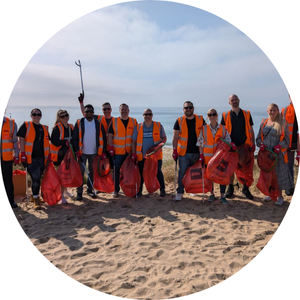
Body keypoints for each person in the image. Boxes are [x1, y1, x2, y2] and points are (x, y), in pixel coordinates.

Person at [256, 103, 294, 205]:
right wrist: (261, 144)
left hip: (278, 155)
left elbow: (287, 140)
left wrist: (279, 146)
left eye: (274, 110)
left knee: (278, 176)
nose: (272, 112)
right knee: (267, 175)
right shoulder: (264, 122)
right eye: (270, 110)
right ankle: (269, 194)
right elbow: (258, 138)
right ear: (267, 111)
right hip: (266, 155)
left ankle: (280, 197)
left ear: (278, 111)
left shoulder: (283, 122)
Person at [221, 94, 255, 200]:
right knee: (230, 169)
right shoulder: (225, 115)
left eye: (235, 99)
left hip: (245, 147)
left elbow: (251, 130)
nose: (234, 101)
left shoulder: (247, 114)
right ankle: (230, 188)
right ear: (229, 102)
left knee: (247, 170)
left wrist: (253, 143)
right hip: (231, 147)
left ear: (239, 100)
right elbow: (223, 132)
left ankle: (246, 189)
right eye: (232, 100)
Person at [17, 108, 50, 210]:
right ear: (31, 115)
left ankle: (33, 196)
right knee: (35, 178)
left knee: (38, 178)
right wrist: (22, 154)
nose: (36, 116)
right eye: (34, 114)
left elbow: (48, 141)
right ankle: (36, 200)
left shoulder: (44, 128)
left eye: (38, 114)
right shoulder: (26, 125)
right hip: (30, 158)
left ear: (41, 116)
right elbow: (21, 139)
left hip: (41, 158)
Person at [197, 108, 231, 204]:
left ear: (217, 116)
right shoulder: (204, 129)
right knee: (209, 177)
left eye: (213, 114)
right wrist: (201, 155)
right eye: (209, 115)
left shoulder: (223, 129)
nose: (212, 116)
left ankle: (222, 196)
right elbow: (200, 143)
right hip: (208, 158)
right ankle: (212, 194)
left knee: (221, 177)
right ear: (208, 117)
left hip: (220, 158)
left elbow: (229, 141)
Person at [172, 101, 205, 201]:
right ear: (183, 109)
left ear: (193, 108)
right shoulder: (179, 120)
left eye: (190, 107)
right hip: (183, 153)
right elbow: (175, 137)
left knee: (194, 173)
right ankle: (180, 192)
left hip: (197, 152)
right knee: (182, 173)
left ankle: (191, 190)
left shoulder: (200, 119)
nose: (188, 109)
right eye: (186, 108)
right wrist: (174, 151)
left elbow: (206, 134)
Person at [73, 104, 107, 200]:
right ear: (84, 112)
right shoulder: (79, 122)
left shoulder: (98, 123)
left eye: (91, 111)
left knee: (92, 172)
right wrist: (76, 151)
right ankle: (79, 192)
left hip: (94, 152)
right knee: (80, 172)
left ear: (93, 113)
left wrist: (103, 151)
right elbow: (75, 138)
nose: (89, 113)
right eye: (87, 111)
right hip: (82, 152)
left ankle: (89, 190)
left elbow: (103, 138)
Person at [132, 108, 167, 197]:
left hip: (155, 156)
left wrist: (157, 147)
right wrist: (133, 154)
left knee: (158, 172)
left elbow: (164, 138)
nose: (147, 116)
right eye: (145, 114)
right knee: (141, 173)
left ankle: (162, 189)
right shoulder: (138, 127)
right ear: (143, 116)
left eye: (149, 114)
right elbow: (133, 141)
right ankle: (139, 191)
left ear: (152, 115)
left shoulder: (158, 125)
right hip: (142, 155)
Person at [108, 103, 138, 198]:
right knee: (116, 171)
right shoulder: (114, 121)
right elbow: (110, 135)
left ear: (128, 110)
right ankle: (116, 190)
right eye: (122, 109)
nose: (124, 111)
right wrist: (111, 147)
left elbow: (136, 137)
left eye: (125, 109)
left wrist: (134, 152)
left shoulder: (134, 121)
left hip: (129, 152)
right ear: (119, 110)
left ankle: (130, 189)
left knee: (130, 172)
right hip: (118, 152)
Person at [78, 94, 114, 166]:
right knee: (100, 167)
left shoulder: (115, 120)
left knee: (110, 167)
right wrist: (81, 103)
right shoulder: (98, 118)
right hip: (101, 148)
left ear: (111, 109)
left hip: (111, 147)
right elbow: (85, 114)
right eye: (104, 109)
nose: (107, 111)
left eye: (108, 109)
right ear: (102, 110)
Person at [50, 109, 74, 204]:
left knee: (67, 175)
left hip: (68, 154)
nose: (65, 118)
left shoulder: (71, 127)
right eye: (62, 116)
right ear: (59, 118)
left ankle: (65, 191)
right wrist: (65, 142)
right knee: (62, 175)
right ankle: (61, 195)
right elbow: (54, 141)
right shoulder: (57, 128)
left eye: (66, 115)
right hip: (59, 155)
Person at [1, 116, 20, 209]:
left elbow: (15, 141)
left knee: (8, 180)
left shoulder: (11, 123)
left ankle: (10, 201)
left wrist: (17, 155)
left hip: (6, 158)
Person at [281, 94, 298, 196]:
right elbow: (281, 128)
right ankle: (290, 187)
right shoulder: (285, 110)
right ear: (289, 98)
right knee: (289, 166)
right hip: (290, 144)